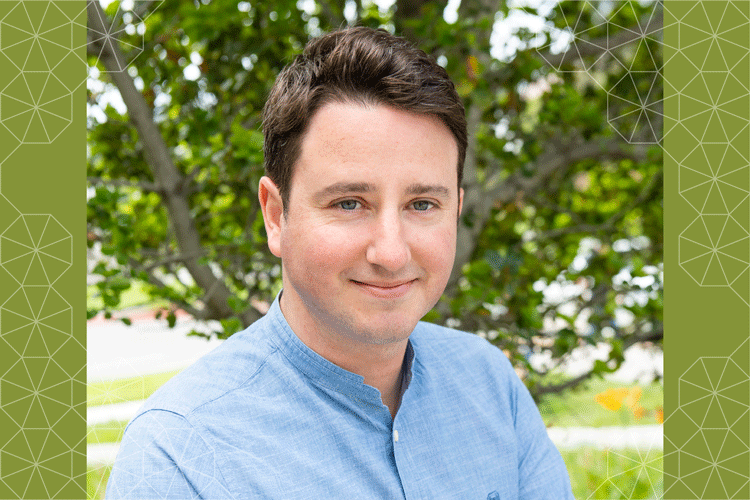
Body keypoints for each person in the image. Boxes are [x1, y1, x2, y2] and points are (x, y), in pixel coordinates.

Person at [105, 26, 574, 499]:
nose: (391, 254)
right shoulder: (179, 454)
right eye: (349, 203)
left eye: (423, 204)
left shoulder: (490, 384)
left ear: (455, 209)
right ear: (275, 215)